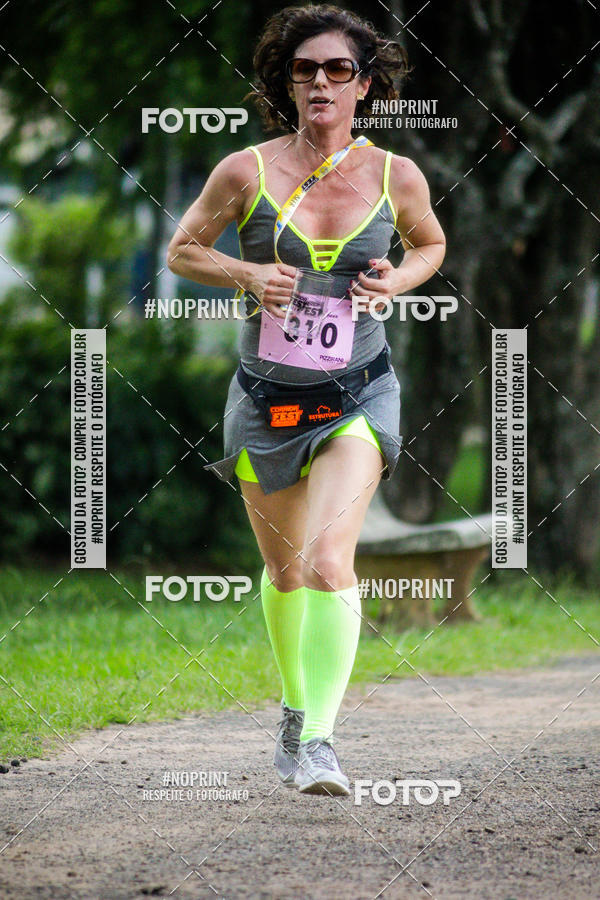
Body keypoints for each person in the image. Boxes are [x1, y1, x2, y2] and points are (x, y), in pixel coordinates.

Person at [167, 5, 446, 796]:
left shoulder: (397, 176)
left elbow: (430, 243)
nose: (319, 82)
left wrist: (399, 277)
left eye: (336, 70)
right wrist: (247, 275)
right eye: (303, 70)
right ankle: (294, 711)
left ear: (365, 84)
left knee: (328, 561)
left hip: (358, 392)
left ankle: (320, 740)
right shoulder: (244, 172)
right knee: (285, 571)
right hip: (265, 397)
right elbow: (183, 249)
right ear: (283, 84)